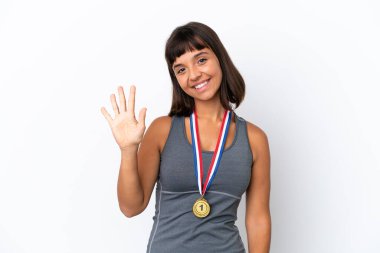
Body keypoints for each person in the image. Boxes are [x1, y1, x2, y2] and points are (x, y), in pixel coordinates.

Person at [100, 21, 271, 253]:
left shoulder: (254, 139)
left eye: (201, 60)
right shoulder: (162, 130)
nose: (193, 74)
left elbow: (258, 219)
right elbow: (131, 207)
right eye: (181, 69)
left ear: (220, 58)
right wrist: (128, 149)